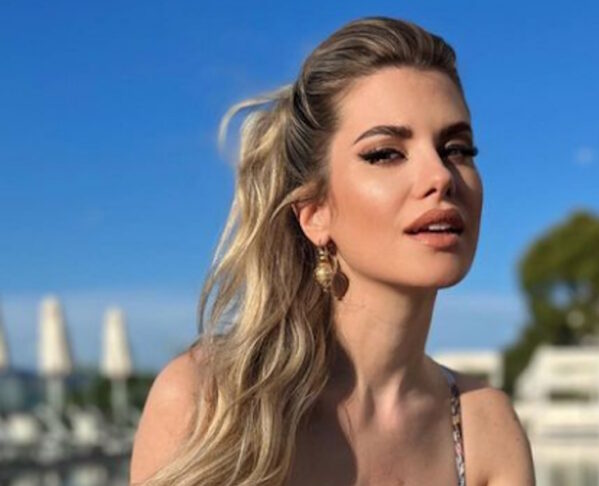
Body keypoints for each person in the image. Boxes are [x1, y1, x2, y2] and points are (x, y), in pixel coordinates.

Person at [129, 16, 535, 486]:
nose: (441, 176)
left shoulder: (484, 428)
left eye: (457, 149)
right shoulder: (206, 404)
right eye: (385, 153)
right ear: (315, 213)